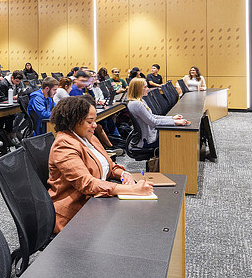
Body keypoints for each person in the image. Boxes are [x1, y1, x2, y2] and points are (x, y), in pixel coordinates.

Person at [47, 96, 152, 232]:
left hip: (95, 203)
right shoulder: (64, 145)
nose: (95, 125)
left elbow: (109, 166)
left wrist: (124, 174)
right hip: (74, 214)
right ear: (73, 121)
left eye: (94, 120)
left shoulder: (90, 137)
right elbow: (87, 184)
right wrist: (133, 190)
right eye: (90, 121)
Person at [125, 78, 189, 150]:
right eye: (145, 87)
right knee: (177, 138)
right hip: (148, 140)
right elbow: (153, 122)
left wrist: (172, 118)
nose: (148, 89)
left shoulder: (139, 101)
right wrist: (175, 122)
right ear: (138, 89)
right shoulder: (137, 104)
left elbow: (152, 116)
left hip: (151, 135)